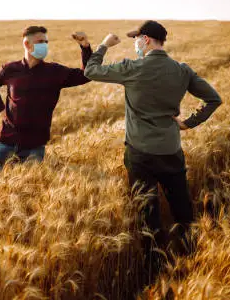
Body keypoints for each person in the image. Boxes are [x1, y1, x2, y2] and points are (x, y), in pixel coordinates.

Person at [77, 20, 222, 266]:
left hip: (140, 154)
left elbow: (90, 71)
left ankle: (155, 267)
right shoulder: (182, 70)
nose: (135, 43)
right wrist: (188, 123)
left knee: (147, 214)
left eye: (136, 38)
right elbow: (213, 99)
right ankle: (192, 258)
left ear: (145, 40)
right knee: (182, 210)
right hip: (171, 151)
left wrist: (103, 45)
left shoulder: (132, 68)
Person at [0, 25, 92, 171]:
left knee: (30, 190)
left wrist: (85, 47)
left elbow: (86, 75)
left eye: (46, 42)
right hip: (5, 143)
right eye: (40, 42)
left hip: (34, 148)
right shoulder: (10, 69)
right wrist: (0, 109)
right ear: (27, 44)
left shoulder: (54, 72)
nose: (44, 45)